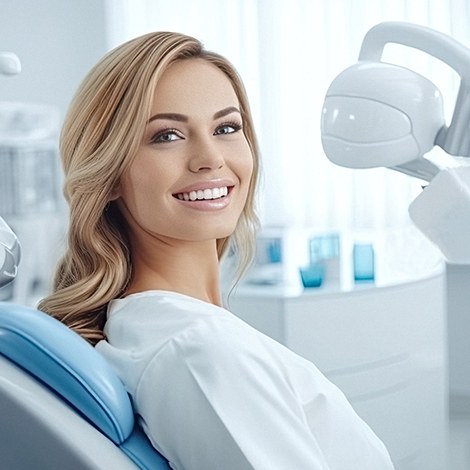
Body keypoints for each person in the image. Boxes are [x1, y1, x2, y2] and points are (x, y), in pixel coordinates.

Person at [38, 31, 394, 469]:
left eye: (226, 128)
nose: (210, 158)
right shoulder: (201, 349)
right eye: (166, 136)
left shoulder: (170, 329)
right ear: (108, 173)